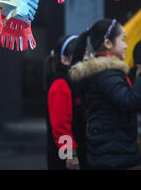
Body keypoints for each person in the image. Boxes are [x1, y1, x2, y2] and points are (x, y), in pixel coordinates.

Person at [69, 18, 141, 169]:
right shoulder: (107, 73)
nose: (126, 45)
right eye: (123, 40)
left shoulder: (104, 73)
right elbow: (129, 102)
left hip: (110, 153)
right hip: (114, 157)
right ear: (108, 43)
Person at [44, 35, 86, 170]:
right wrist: (70, 156)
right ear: (65, 59)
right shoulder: (60, 83)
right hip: (65, 161)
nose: (87, 58)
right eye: (82, 54)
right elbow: (60, 127)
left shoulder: (74, 81)